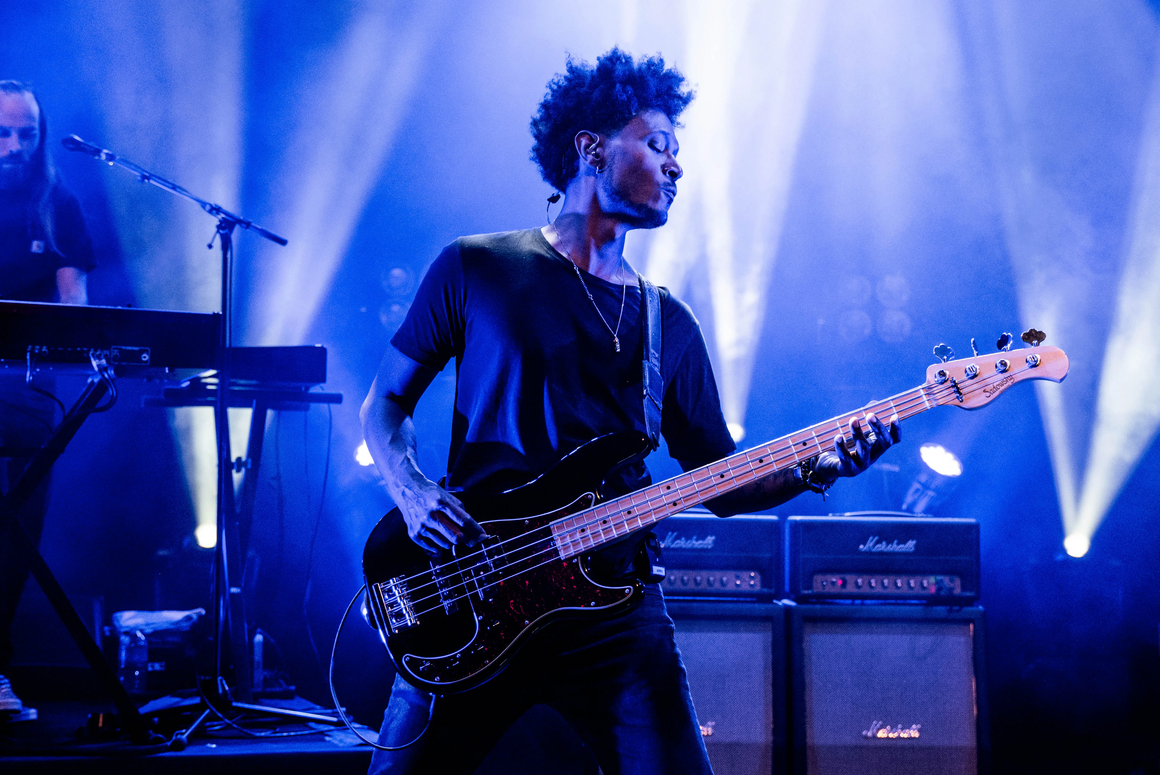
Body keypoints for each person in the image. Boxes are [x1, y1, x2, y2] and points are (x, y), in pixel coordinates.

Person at [360, 49, 899, 774]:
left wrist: (817, 467)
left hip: (613, 609)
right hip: (477, 584)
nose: (677, 167)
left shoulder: (667, 323)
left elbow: (719, 479)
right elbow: (386, 401)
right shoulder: (476, 267)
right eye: (658, 144)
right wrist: (412, 492)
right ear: (592, 148)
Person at [0, 80, 96, 723]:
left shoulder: (58, 203)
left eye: (26, 134)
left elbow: (73, 305)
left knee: (18, 531)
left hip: (30, 392)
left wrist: (79, 343)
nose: (15, 146)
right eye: (3, 133)